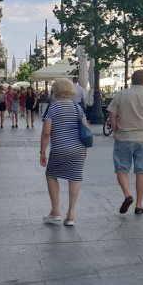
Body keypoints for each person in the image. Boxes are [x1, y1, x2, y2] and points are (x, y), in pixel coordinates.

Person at [108, 69, 143, 215]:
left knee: (121, 169)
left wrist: (115, 130)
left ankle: (127, 195)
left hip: (124, 137)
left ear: (132, 80)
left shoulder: (120, 95)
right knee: (141, 172)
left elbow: (112, 115)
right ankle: (139, 204)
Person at [39, 78, 91, 226]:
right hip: (78, 148)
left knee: (51, 175)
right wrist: (85, 149)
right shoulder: (77, 107)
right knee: (74, 178)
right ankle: (71, 215)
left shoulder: (53, 108)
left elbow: (46, 133)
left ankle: (55, 212)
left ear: (56, 91)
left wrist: (42, 152)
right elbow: (85, 129)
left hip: (60, 148)